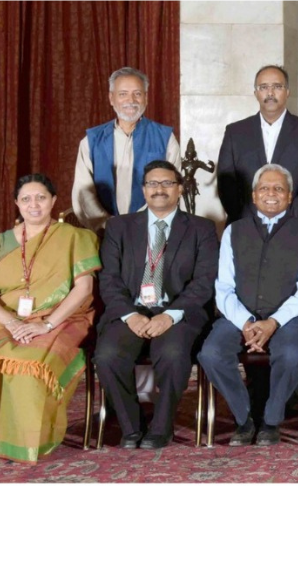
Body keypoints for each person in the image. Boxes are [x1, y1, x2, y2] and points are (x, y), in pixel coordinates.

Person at [0, 174, 101, 462]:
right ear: (16, 203)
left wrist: (46, 324)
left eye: (40, 197)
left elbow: (84, 288)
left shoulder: (76, 237)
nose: (33, 204)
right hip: (11, 317)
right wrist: (12, 322)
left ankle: (29, 442)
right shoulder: (1, 241)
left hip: (63, 317)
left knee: (31, 364)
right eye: (26, 199)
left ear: (53, 201)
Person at [93, 160, 218, 449]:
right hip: (129, 312)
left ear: (179, 188)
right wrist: (129, 315)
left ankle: (162, 427)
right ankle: (132, 426)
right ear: (143, 190)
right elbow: (109, 279)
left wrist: (170, 316)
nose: (159, 190)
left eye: (167, 183)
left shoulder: (201, 228)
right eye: (152, 184)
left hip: (178, 313)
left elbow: (204, 280)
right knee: (108, 356)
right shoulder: (119, 226)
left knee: (173, 354)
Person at [199, 165, 298, 446]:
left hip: (288, 318)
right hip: (238, 316)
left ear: (289, 197)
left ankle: (271, 420)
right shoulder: (233, 231)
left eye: (278, 189)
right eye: (264, 188)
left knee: (291, 354)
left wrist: (272, 323)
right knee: (211, 354)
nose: (271, 194)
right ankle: (245, 419)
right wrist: (246, 323)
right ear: (254, 196)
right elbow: (223, 287)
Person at [216, 65, 298, 227]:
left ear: (287, 91)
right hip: (245, 227)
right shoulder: (235, 132)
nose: (270, 93)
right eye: (263, 87)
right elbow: (226, 183)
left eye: (277, 87)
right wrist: (249, 219)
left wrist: (286, 218)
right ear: (256, 93)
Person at [72, 67, 181, 232]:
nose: (131, 100)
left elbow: (171, 187)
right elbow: (83, 192)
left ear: (146, 98)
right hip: (103, 232)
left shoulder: (165, 138)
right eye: (123, 94)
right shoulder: (92, 140)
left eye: (137, 94)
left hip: (150, 231)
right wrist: (107, 225)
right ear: (111, 98)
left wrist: (139, 223)